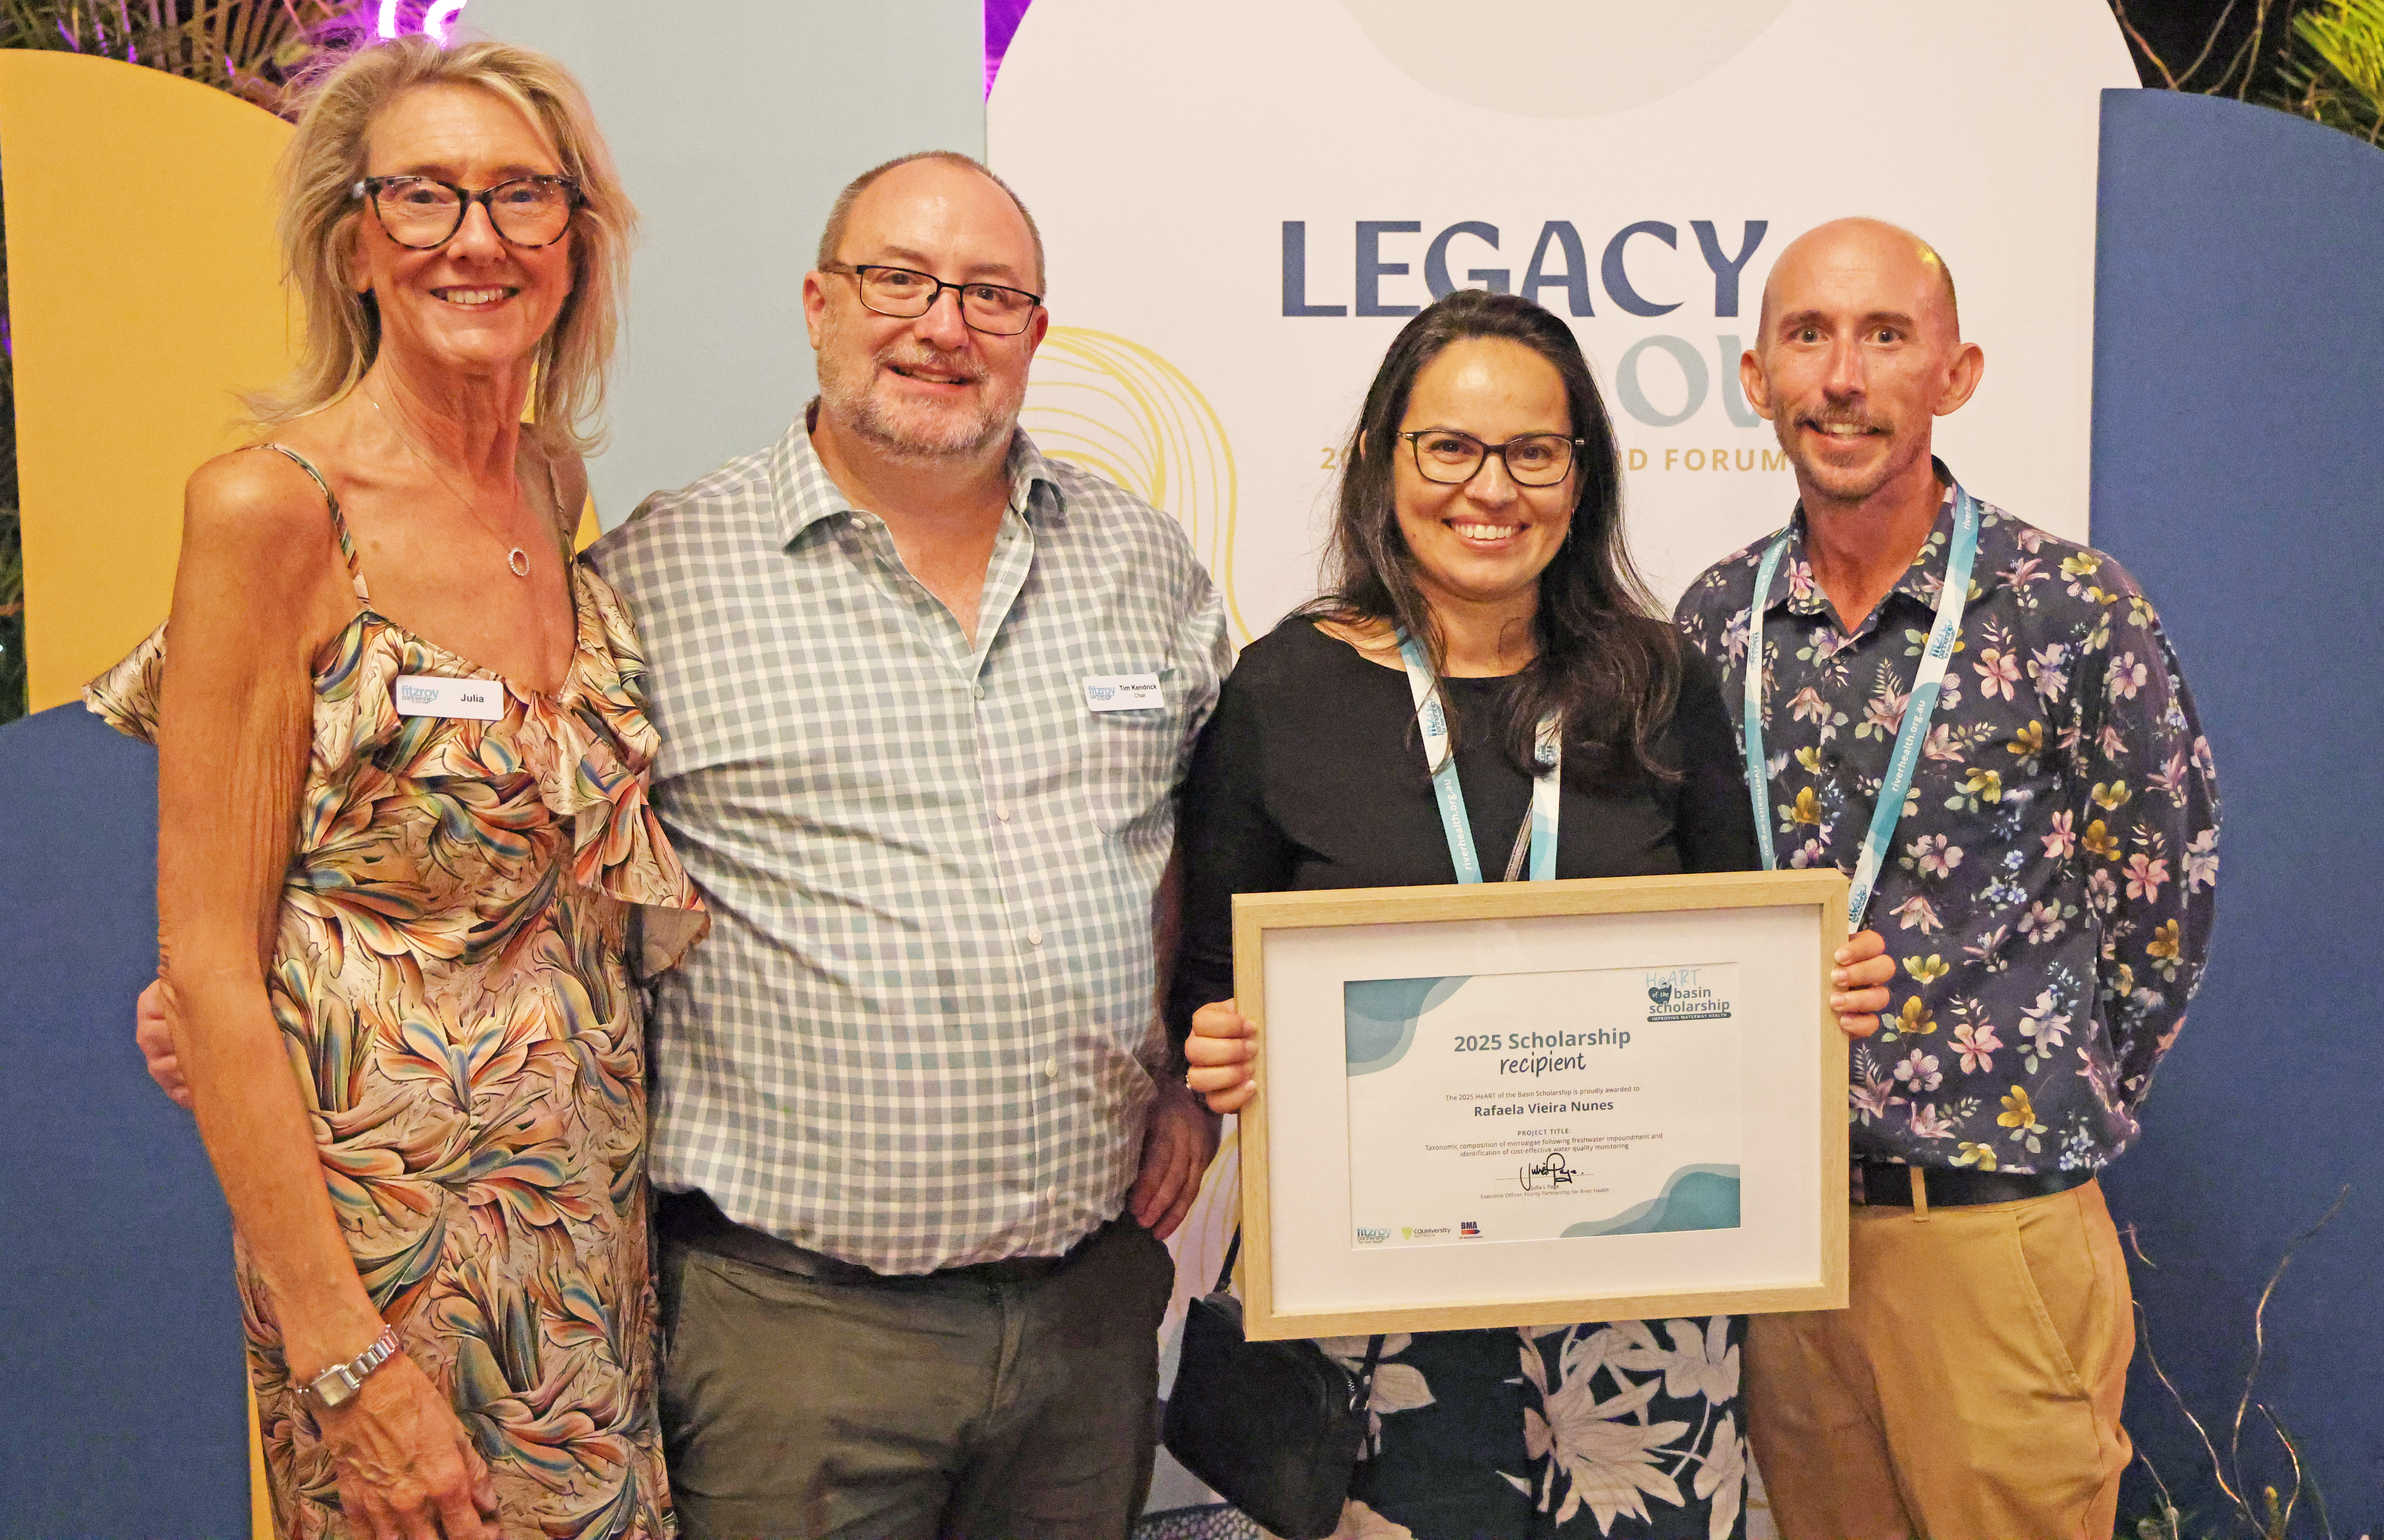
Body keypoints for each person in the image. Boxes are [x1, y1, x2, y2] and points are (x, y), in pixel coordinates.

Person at [98, 36, 702, 1540]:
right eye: (424, 196)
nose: (475, 239)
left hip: (582, 1239)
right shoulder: (270, 512)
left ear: (576, 241)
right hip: (388, 1273)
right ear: (354, 242)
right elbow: (211, 971)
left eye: (520, 196)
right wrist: (347, 1363)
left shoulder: (548, 481)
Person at [580, 150, 1231, 1540]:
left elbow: (1188, 836)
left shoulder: (1144, 564)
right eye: (900, 281)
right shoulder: (658, 578)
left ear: (1037, 332)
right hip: (793, 1336)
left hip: (1085, 1318)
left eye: (990, 295)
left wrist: (1182, 1074)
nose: (944, 326)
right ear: (819, 303)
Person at [1178, 289, 1896, 1540]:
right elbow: (1209, 978)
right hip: (1376, 1316)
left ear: (1581, 474)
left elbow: (1748, 956)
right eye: (1448, 448)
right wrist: (1222, 1043)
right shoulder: (1283, 690)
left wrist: (1816, 992)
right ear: (1379, 458)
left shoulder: (1658, 683)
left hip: (1640, 1323)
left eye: (1532, 453)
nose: (1490, 489)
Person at [1672, 218, 2220, 1539]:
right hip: (1786, 1245)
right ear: (1755, 378)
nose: (1840, 377)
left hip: (1990, 1234)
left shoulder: (2068, 610)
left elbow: (2162, 904)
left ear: (1954, 374)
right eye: (1807, 336)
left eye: (1883, 336)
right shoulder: (1714, 621)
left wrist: (2032, 1094)